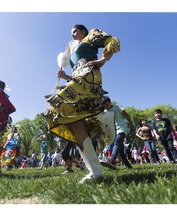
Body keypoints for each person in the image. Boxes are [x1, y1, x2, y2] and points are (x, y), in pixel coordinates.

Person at [43, 24, 120, 183]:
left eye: (75, 31)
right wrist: (65, 77)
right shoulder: (72, 51)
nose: (72, 34)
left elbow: (113, 41)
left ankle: (102, 117)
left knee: (58, 106)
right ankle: (95, 172)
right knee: (74, 124)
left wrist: (101, 61)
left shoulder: (91, 36)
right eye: (71, 32)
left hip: (89, 76)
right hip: (77, 78)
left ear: (83, 31)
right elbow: (75, 74)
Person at [100, 96, 135, 169]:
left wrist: (132, 126)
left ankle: (112, 160)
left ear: (110, 102)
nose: (106, 107)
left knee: (117, 142)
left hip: (122, 128)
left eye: (107, 104)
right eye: (104, 105)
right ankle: (128, 166)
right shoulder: (105, 112)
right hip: (114, 131)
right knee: (121, 151)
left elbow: (127, 115)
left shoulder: (116, 107)